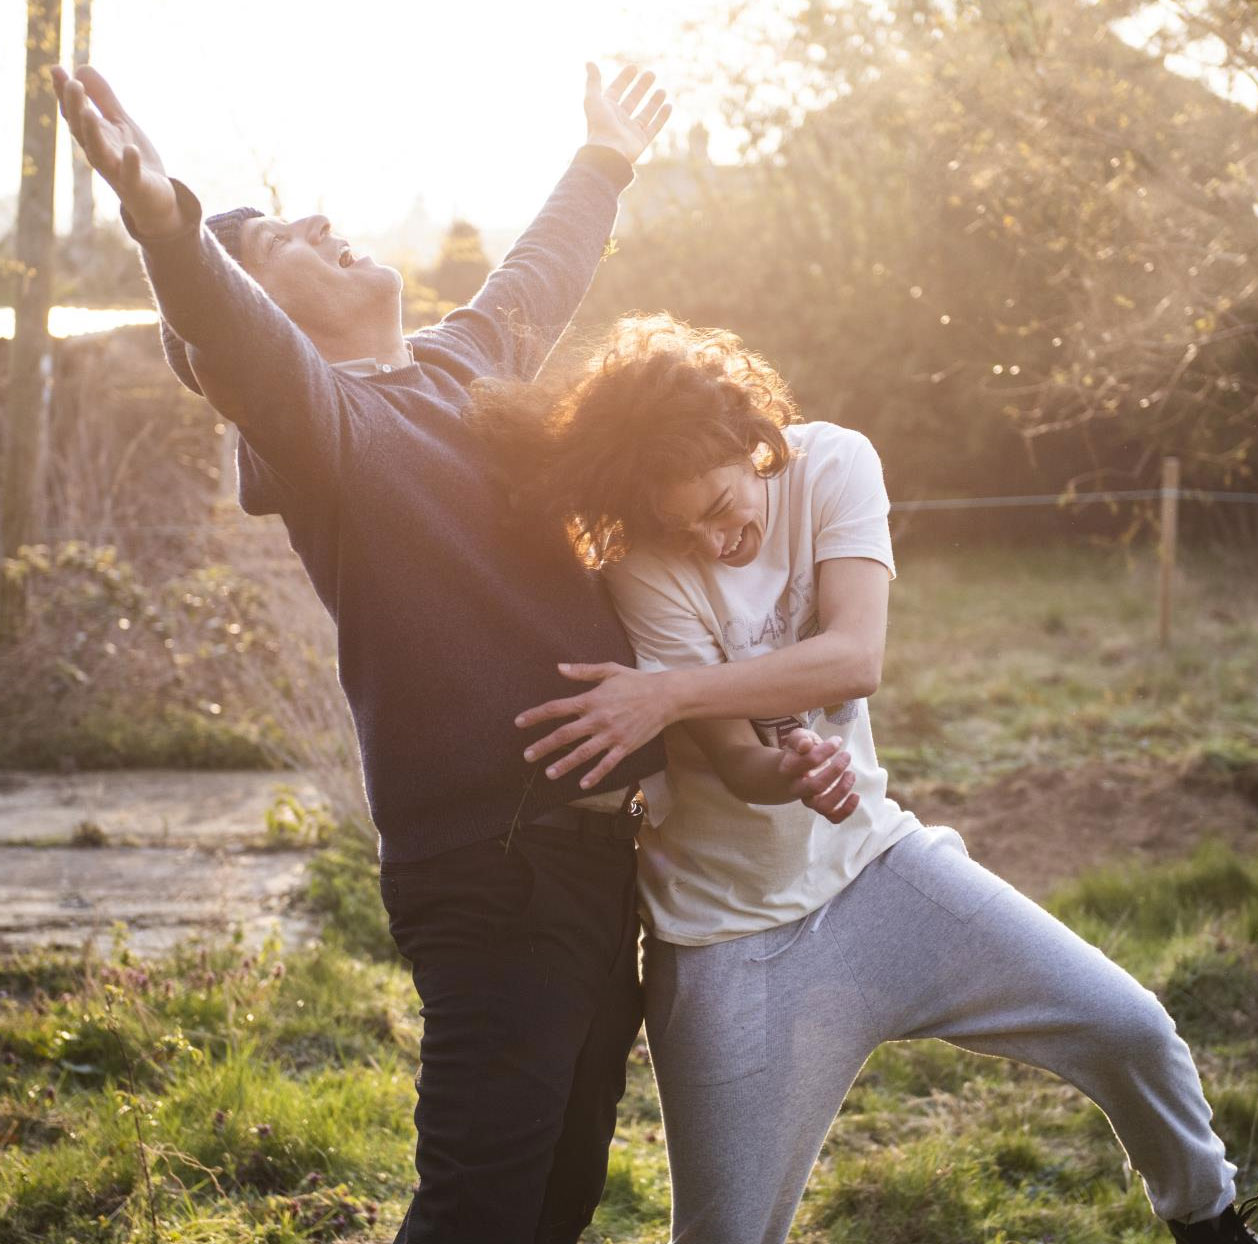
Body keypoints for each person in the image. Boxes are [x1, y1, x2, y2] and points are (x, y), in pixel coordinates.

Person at [52, 64, 853, 1243]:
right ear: (252, 316)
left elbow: (541, 271)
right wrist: (166, 221)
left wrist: (604, 157)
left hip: (593, 864)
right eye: (280, 239)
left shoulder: (464, 366)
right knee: (481, 1204)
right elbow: (231, 339)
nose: (321, 224)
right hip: (493, 871)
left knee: (560, 1192)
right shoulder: (329, 433)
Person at [484, 314, 1258, 1244]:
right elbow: (738, 762)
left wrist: (664, 695)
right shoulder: (644, 569)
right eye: (678, 524)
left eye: (718, 503)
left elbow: (854, 656)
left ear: (755, 441)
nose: (708, 539)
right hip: (727, 941)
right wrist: (792, 766)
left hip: (876, 872)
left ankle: (1215, 1226)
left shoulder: (835, 465)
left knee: (1129, 1028)